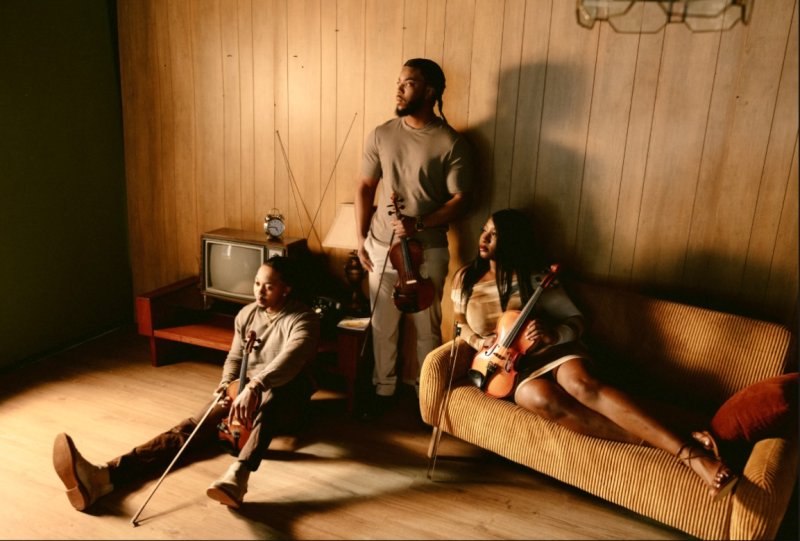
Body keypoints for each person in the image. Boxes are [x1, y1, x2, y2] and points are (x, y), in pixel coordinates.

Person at [449, 208, 738, 500]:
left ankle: (694, 457)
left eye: (495, 234)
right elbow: (459, 324)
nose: (483, 238)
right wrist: (479, 342)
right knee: (538, 399)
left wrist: (552, 334)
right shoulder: (466, 278)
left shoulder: (535, 277)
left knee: (581, 386)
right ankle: (674, 438)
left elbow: (576, 320)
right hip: (509, 367)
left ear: (513, 240)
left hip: (551, 350)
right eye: (485, 230)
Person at [52, 256, 320, 511]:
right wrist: (227, 384)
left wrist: (255, 387)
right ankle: (104, 476)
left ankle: (238, 476)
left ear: (286, 289)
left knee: (271, 402)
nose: (259, 292)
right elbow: (235, 357)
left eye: (269, 287)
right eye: (257, 283)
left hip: (287, 394)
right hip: (244, 390)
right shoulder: (247, 315)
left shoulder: (304, 320)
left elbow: (289, 361)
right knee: (191, 428)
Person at [355, 58, 474, 420]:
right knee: (383, 325)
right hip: (379, 244)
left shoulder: (450, 142)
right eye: (399, 82)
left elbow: (461, 199)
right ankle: (384, 390)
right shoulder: (382, 133)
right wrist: (360, 238)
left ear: (429, 91)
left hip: (428, 249)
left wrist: (419, 222)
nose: (399, 89)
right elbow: (364, 186)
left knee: (426, 326)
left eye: (408, 83)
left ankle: (427, 399)